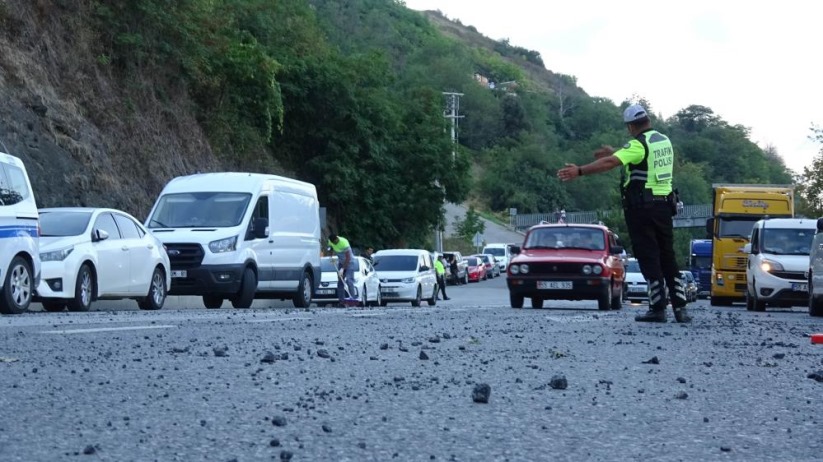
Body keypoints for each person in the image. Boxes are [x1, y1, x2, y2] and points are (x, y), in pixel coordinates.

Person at [557, 104, 691, 323]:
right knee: (668, 256)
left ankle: (657, 308)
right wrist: (616, 152)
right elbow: (642, 161)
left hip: (643, 208)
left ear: (630, 126)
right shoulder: (663, 141)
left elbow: (612, 162)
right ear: (648, 120)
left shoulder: (638, 144)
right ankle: (680, 308)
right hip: (665, 206)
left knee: (649, 256)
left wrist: (579, 171)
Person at [328, 233, 356, 307]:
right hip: (341, 262)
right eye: (333, 242)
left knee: (349, 281)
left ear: (337, 238)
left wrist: (343, 269)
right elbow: (330, 248)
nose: (335, 243)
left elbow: (348, 258)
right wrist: (331, 256)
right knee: (340, 282)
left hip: (349, 262)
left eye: (335, 242)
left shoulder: (344, 243)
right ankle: (342, 301)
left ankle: (352, 301)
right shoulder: (331, 241)